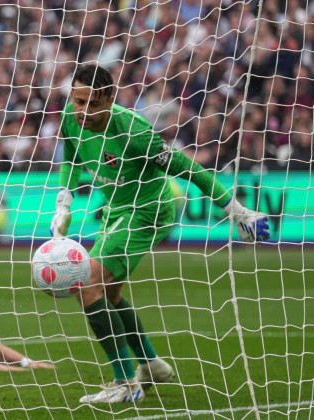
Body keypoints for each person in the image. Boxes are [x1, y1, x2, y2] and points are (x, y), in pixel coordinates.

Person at [49, 64, 270, 404]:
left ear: (109, 98)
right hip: (116, 211)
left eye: (92, 104)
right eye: (78, 102)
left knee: (87, 283)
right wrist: (64, 200)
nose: (83, 111)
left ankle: (125, 382)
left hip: (149, 211)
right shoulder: (71, 116)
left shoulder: (134, 131)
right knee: (105, 294)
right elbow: (71, 156)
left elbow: (189, 169)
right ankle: (150, 364)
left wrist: (237, 211)